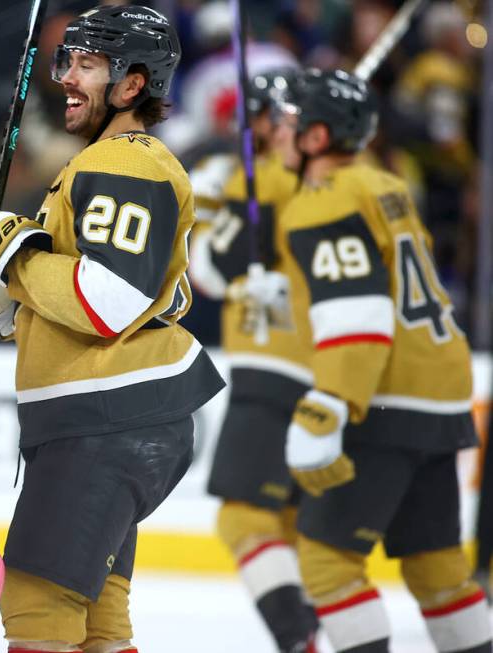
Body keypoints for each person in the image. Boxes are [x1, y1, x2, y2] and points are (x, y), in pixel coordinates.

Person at [0, 7, 224, 653]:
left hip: (108, 419)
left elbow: (111, 301)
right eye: (66, 61)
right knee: (97, 621)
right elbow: (97, 298)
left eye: (88, 65)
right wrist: (3, 303)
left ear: (131, 86)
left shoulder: (124, 162)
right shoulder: (106, 163)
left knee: (37, 606)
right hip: (115, 415)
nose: (67, 77)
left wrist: (13, 258)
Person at [271, 68, 492, 653]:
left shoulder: (324, 200)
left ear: (318, 139)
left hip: (384, 397)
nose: (275, 133)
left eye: (289, 123)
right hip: (440, 390)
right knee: (437, 569)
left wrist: (328, 406)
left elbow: (358, 313)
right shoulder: (380, 182)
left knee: (327, 564)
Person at [188, 69, 320, 653]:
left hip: (273, 366)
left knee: (242, 521)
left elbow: (209, 271)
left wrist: (214, 203)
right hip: (327, 369)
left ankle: (300, 640)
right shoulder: (335, 180)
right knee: (290, 527)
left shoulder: (258, 179)